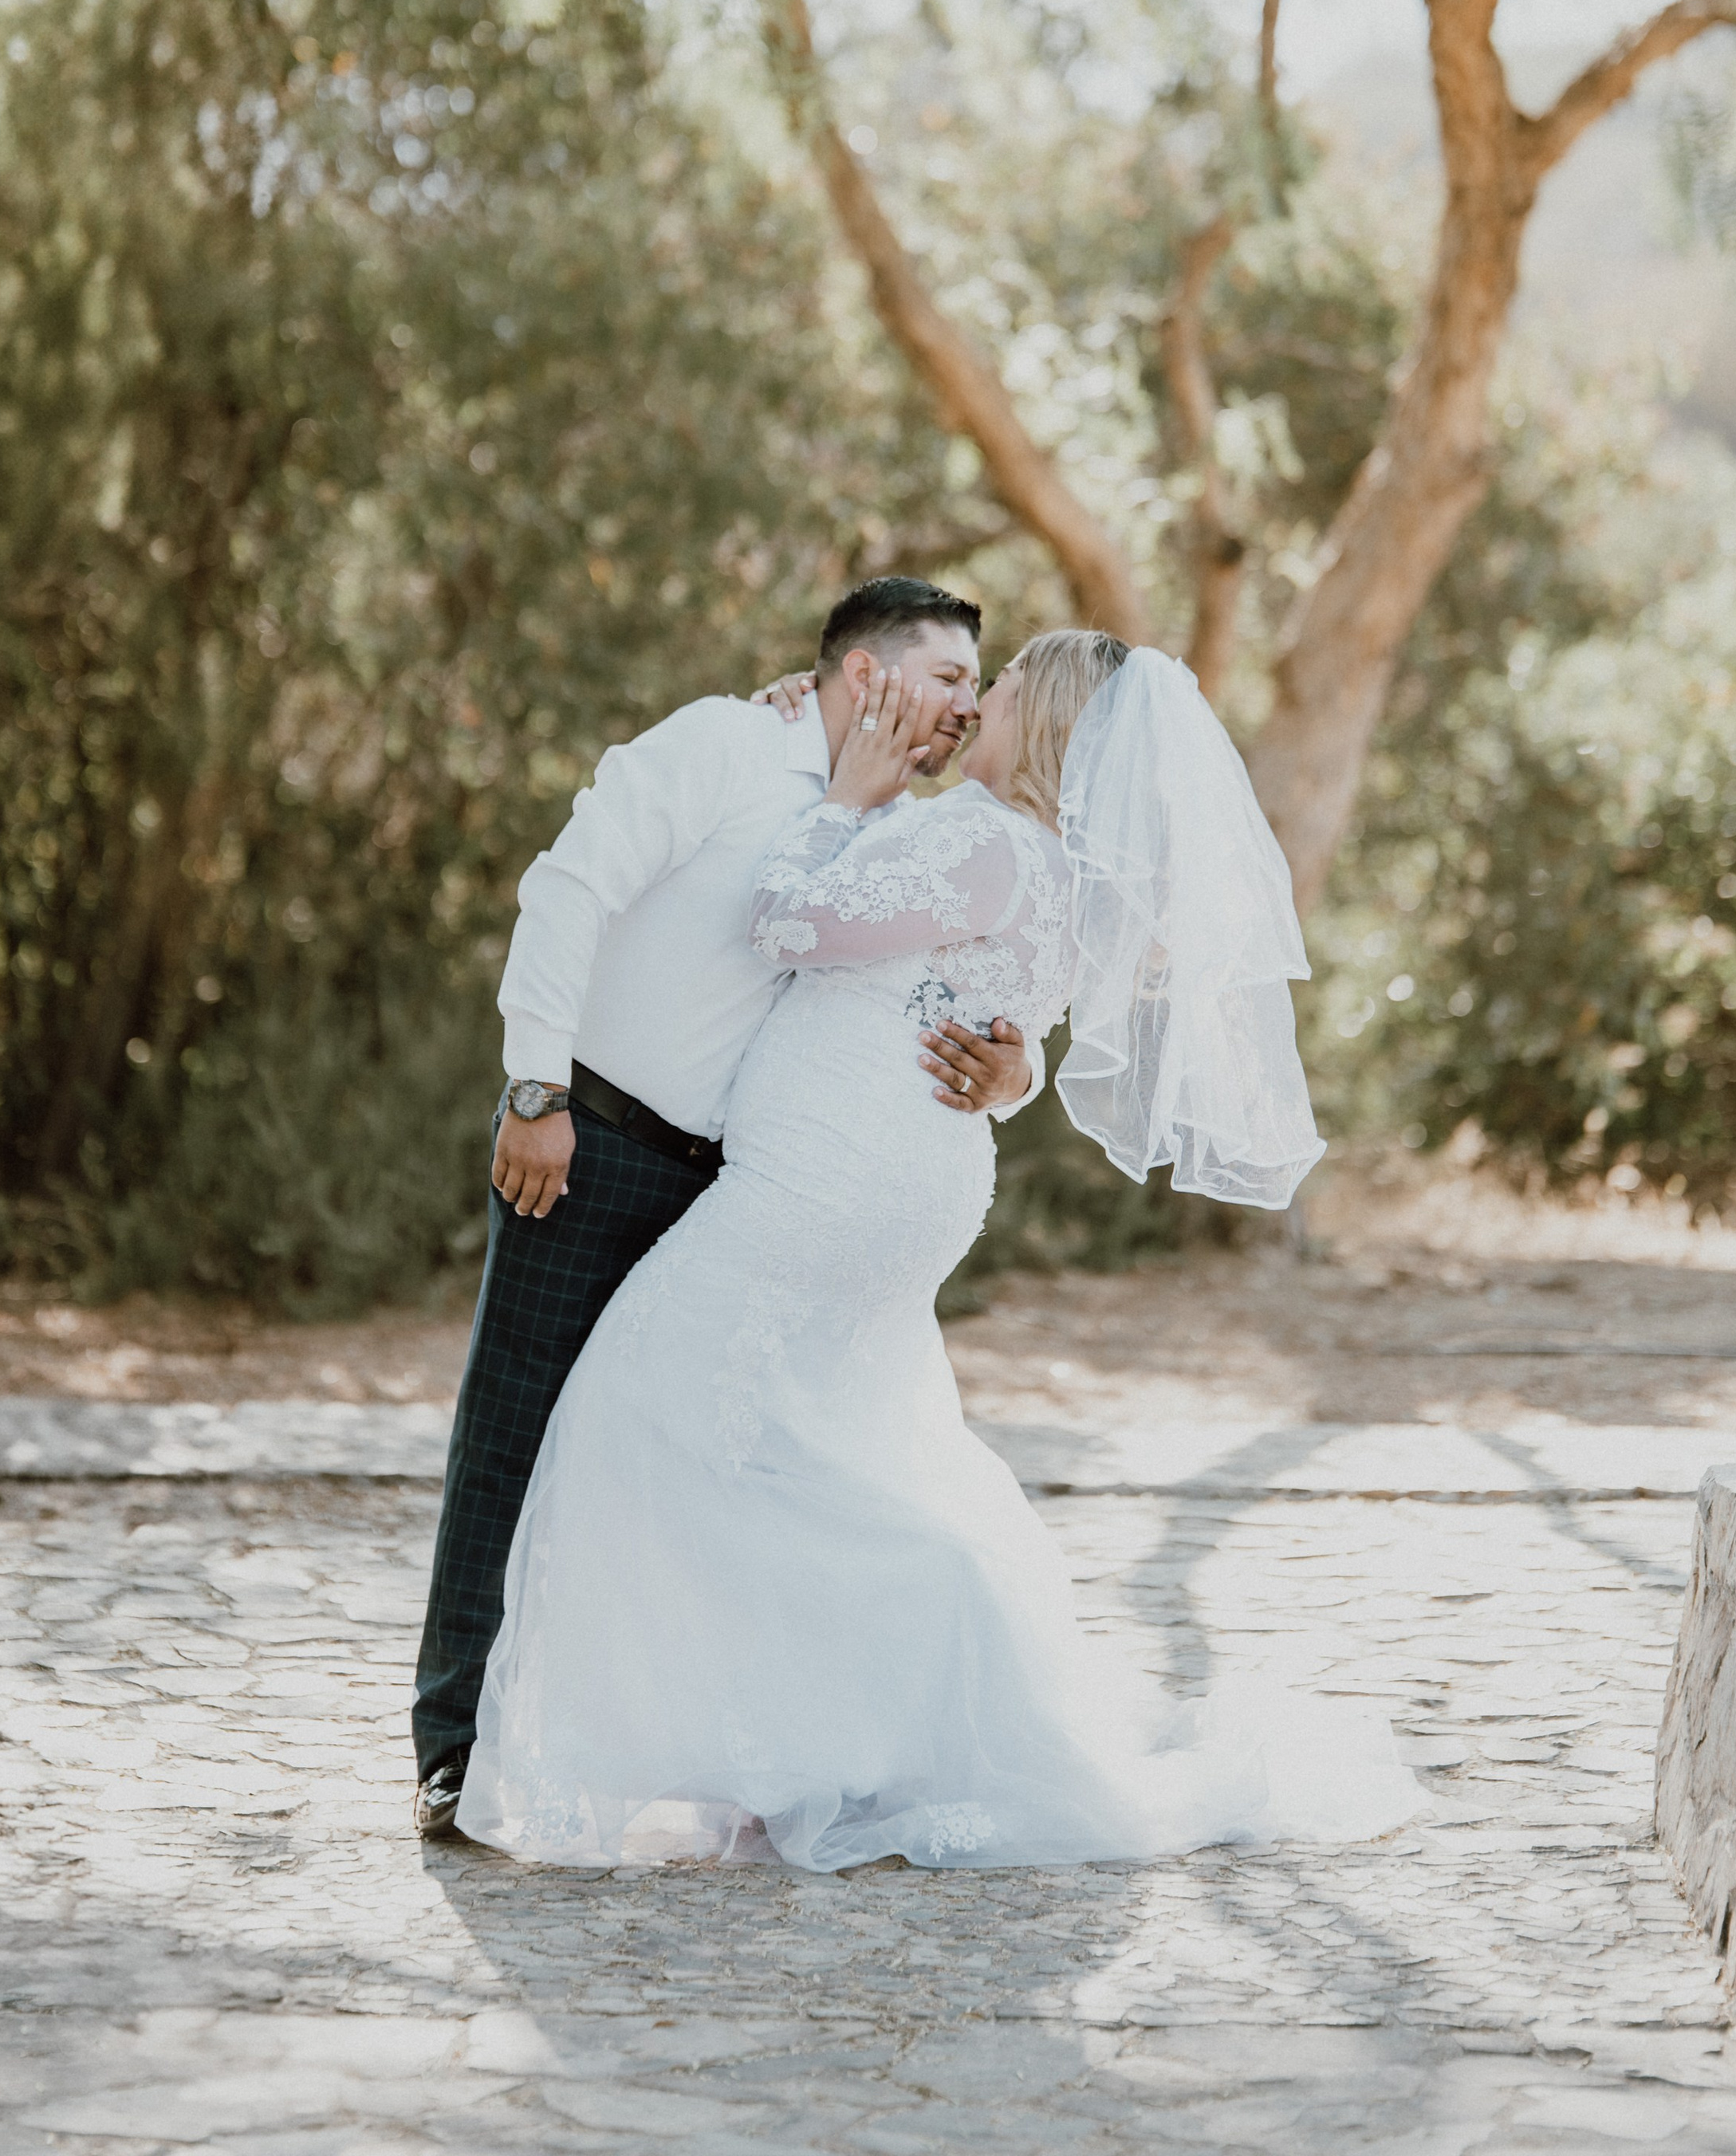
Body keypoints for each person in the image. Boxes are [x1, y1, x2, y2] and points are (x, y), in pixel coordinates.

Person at [455, 630, 1419, 1870]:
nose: (986, 699)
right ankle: (795, 1744)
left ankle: (873, 1693)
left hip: (838, 1181)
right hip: (885, 1179)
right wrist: (1008, 1065)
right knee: (815, 1444)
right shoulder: (1055, 870)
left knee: (640, 1403)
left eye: (1005, 683)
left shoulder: (984, 840)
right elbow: (981, 1016)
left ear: (1052, 719)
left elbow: (791, 924)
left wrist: (848, 797)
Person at [411, 576, 1042, 1839]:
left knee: (707, 1468)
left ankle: (707, 1746)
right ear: (868, 678)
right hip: (590, 1139)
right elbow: (565, 889)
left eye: (979, 689)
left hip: (747, 1193)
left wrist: (1017, 1074)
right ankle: (457, 1746)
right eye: (951, 680)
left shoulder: (911, 825)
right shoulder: (719, 745)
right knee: (514, 1436)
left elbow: (956, 984)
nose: (968, 710)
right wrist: (534, 1084)